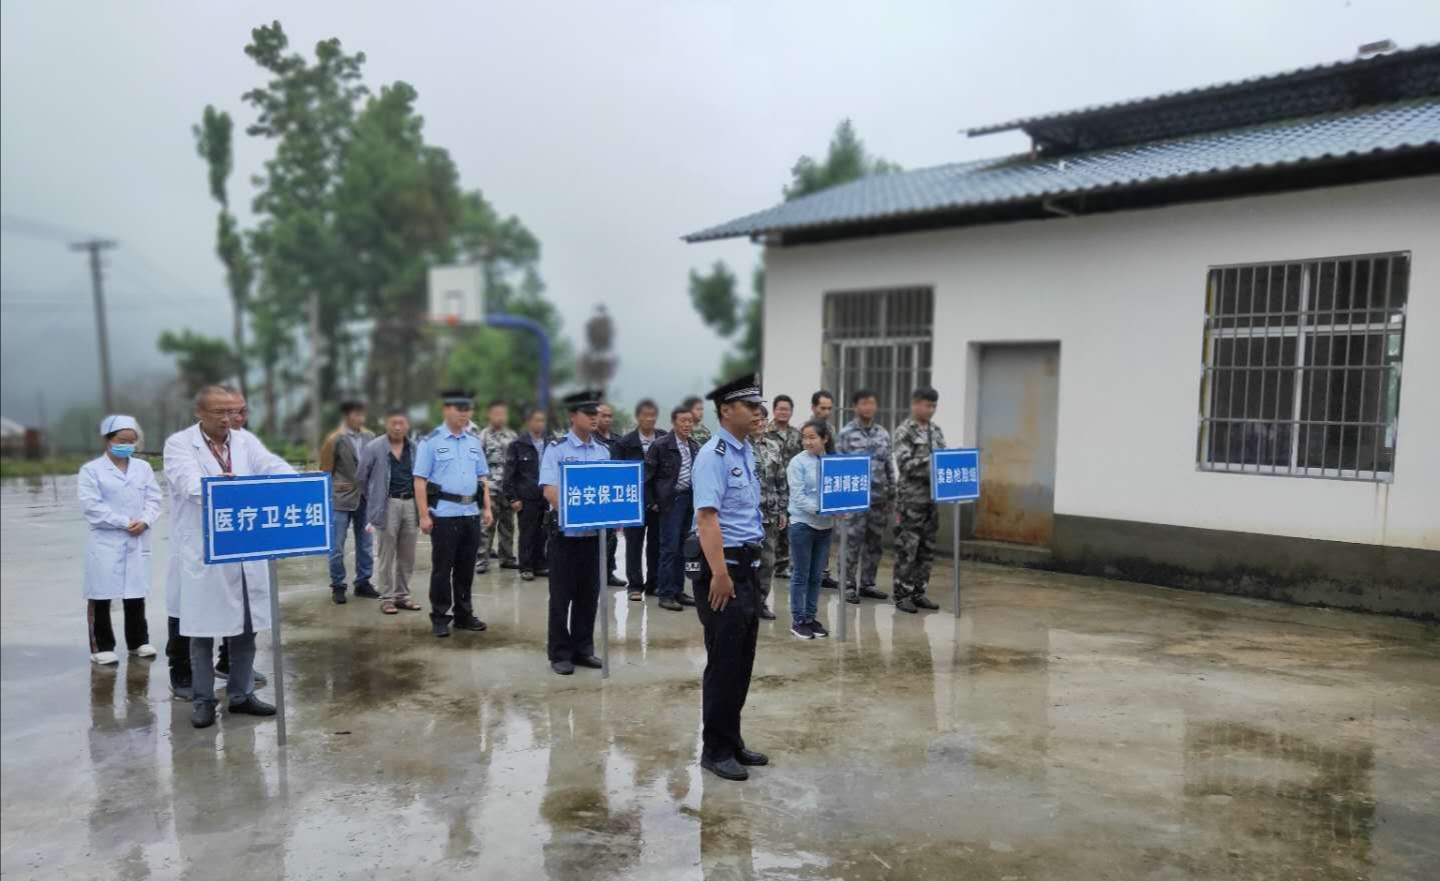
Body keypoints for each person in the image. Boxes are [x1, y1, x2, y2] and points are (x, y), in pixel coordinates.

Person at [164, 385, 294, 728]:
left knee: (246, 629)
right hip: (205, 552)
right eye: (221, 412)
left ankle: (241, 695)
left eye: (235, 411)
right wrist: (224, 486)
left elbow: (272, 466)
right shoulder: (179, 444)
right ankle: (203, 700)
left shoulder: (244, 441)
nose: (229, 419)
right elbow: (191, 485)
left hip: (245, 548)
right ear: (199, 413)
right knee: (202, 632)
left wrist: (295, 485)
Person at [690, 372, 770, 782]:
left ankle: (731, 739)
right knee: (723, 663)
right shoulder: (714, 455)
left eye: (759, 405)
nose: (758, 412)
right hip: (724, 569)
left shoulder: (745, 451)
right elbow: (707, 518)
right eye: (750, 406)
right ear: (726, 410)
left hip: (747, 566)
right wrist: (720, 574)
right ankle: (715, 750)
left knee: (741, 660)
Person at [79, 415, 161, 665]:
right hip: (106, 539)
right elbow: (92, 507)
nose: (127, 445)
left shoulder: (143, 468)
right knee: (100, 595)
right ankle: (101, 646)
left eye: (131, 441)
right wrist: (124, 522)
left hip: (137, 538)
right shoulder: (92, 470)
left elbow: (154, 499)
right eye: (121, 440)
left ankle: (138, 642)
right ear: (108, 440)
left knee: (135, 593)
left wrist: (145, 520)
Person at [539, 390, 610, 675]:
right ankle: (559, 653)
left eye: (597, 414)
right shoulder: (556, 449)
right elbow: (550, 491)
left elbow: (608, 490)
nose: (595, 418)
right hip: (565, 538)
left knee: (588, 596)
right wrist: (580, 512)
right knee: (561, 598)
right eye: (589, 413)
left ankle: (583, 649)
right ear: (572, 416)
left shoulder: (602, 451)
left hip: (593, 539)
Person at [414, 389, 494, 638]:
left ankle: (463, 614)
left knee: (465, 568)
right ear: (446, 409)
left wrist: (487, 507)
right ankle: (440, 616)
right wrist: (424, 515)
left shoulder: (473, 442)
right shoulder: (431, 441)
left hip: (470, 513)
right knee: (442, 569)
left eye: (468, 409)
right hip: (444, 514)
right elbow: (420, 480)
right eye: (460, 409)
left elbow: (482, 478)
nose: (465, 413)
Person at [357, 407, 423, 615]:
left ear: (407, 425)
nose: (397, 427)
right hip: (387, 505)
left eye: (401, 423)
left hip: (410, 504)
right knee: (386, 555)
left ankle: (402, 595)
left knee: (407, 554)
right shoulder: (374, 447)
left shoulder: (414, 448)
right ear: (386, 424)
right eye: (393, 423)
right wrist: (375, 499)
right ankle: (386, 598)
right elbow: (361, 478)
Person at [892, 387, 947, 613]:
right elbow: (905, 465)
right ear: (915, 404)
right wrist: (932, 461)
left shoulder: (936, 430)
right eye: (927, 405)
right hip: (910, 501)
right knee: (908, 547)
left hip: (931, 500)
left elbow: (944, 461)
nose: (931, 410)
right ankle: (902, 594)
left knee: (927, 547)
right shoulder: (904, 431)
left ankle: (918, 591)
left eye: (934, 406)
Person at [837, 389, 894, 605]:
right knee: (851, 543)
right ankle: (847, 585)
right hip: (854, 500)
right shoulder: (846, 433)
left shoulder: (883, 433)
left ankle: (868, 584)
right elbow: (838, 467)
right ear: (855, 407)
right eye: (864, 403)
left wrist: (892, 494)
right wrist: (840, 502)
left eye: (872, 403)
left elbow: (888, 465)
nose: (868, 407)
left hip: (878, 499)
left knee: (875, 544)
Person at [320, 400, 376, 604]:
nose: (360, 418)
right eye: (356, 415)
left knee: (366, 544)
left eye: (362, 414)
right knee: (336, 546)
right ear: (346, 416)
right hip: (340, 498)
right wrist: (328, 496)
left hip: (365, 498)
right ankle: (338, 585)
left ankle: (363, 582)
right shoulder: (335, 439)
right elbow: (326, 470)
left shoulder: (370, 437)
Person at [646, 405, 699, 612]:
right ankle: (666, 593)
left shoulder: (694, 445)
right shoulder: (661, 445)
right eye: (683, 421)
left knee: (684, 549)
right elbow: (647, 477)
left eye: (690, 421)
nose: (687, 425)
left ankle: (678, 590)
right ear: (673, 423)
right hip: (670, 502)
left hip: (689, 501)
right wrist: (653, 502)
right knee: (669, 548)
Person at [786, 420, 836, 639]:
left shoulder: (834, 462)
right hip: (802, 525)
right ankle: (798, 620)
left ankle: (810, 617)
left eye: (812, 437)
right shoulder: (797, 462)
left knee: (816, 576)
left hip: (825, 527)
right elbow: (798, 497)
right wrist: (822, 510)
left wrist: (841, 508)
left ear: (825, 438)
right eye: (804, 437)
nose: (807, 442)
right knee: (801, 574)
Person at [615, 399, 664, 602]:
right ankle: (635, 586)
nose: (649, 419)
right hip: (634, 502)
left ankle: (654, 584)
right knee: (634, 545)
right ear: (637, 417)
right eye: (645, 415)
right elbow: (619, 474)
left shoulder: (664, 438)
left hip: (658, 502)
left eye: (652, 415)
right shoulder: (625, 443)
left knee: (656, 545)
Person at [504, 406, 550, 581]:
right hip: (526, 497)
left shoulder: (550, 443)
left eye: (542, 420)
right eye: (537, 420)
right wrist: (513, 498)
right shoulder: (517, 445)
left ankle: (540, 565)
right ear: (529, 422)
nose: (540, 424)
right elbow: (509, 474)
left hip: (545, 496)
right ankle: (526, 567)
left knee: (543, 533)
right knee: (527, 533)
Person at [750, 405, 785, 620]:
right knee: (745, 561)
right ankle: (744, 602)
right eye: (755, 419)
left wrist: (782, 510)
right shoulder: (740, 447)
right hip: (746, 515)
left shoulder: (773, 446)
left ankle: (760, 602)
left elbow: (781, 480)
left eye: (763, 419)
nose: (760, 423)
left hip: (769, 514)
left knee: (768, 562)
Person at [476, 399, 518, 575]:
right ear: (489, 415)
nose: (500, 417)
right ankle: (481, 560)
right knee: (486, 526)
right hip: (490, 489)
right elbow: (477, 465)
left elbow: (516, 464)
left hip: (507, 489)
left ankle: (507, 558)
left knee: (508, 526)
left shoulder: (512, 437)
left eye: (503, 414)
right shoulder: (482, 437)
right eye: (497, 414)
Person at [765, 395, 803, 579]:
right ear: (774, 410)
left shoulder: (797, 434)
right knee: (773, 526)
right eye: (780, 408)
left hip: (792, 487)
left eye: (786, 409)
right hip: (772, 487)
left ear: (791, 412)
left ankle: (783, 565)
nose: (783, 412)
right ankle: (768, 563)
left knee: (788, 525)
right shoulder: (766, 432)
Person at [594, 403, 627, 588]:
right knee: (594, 538)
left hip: (613, 496)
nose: (607, 419)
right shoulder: (590, 440)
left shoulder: (618, 441)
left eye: (609, 416)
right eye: (603, 415)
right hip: (594, 496)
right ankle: (593, 574)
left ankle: (608, 572)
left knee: (611, 537)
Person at [811, 390, 839, 590]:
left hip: (826, 487)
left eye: (829, 408)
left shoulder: (831, 429)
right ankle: (809, 573)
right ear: (814, 407)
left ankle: (824, 572)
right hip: (809, 487)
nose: (826, 412)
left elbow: (834, 456)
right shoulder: (805, 429)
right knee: (808, 533)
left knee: (826, 532)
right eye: (823, 408)